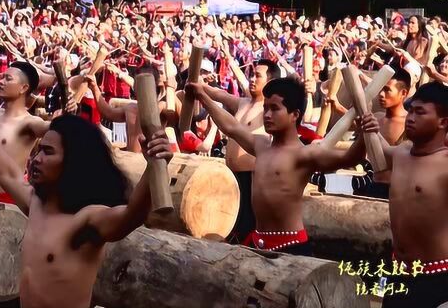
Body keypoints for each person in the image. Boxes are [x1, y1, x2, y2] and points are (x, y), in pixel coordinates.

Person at [0, 106, 172, 308]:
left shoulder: (86, 220)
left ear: (72, 162)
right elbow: (6, 173)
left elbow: (132, 214)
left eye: (48, 152)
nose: (36, 159)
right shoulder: (35, 203)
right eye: (38, 150)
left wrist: (154, 163)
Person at [185, 76, 374, 255]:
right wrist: (202, 95)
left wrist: (365, 134)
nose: (267, 115)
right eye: (265, 108)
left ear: (295, 115)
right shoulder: (261, 145)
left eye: (274, 109)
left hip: (291, 246)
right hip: (257, 241)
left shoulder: (305, 154)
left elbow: (350, 159)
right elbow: (231, 127)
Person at [368, 82, 448, 307]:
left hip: (437, 278)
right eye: (410, 110)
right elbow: (382, 152)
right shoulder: (402, 152)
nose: (410, 117)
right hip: (397, 271)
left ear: (443, 122)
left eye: (420, 112)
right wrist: (372, 129)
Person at [198, 59, 281, 243]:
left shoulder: (268, 110)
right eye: (251, 74)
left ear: (270, 82)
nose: (252, 79)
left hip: (252, 177)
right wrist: (200, 85)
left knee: (247, 230)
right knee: (227, 227)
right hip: (231, 176)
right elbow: (218, 94)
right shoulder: (242, 103)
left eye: (257, 76)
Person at [0, 61, 50, 204]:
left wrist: (67, 115)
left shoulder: (29, 122)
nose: (1, 82)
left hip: (10, 203)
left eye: (8, 79)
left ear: (23, 88)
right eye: (2, 77)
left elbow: (51, 128)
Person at [354, 69, 410, 199]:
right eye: (380, 89)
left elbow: (402, 159)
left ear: (403, 93)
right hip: (372, 185)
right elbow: (358, 155)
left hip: (396, 191)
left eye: (387, 90)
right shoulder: (376, 118)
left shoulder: (410, 124)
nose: (381, 94)